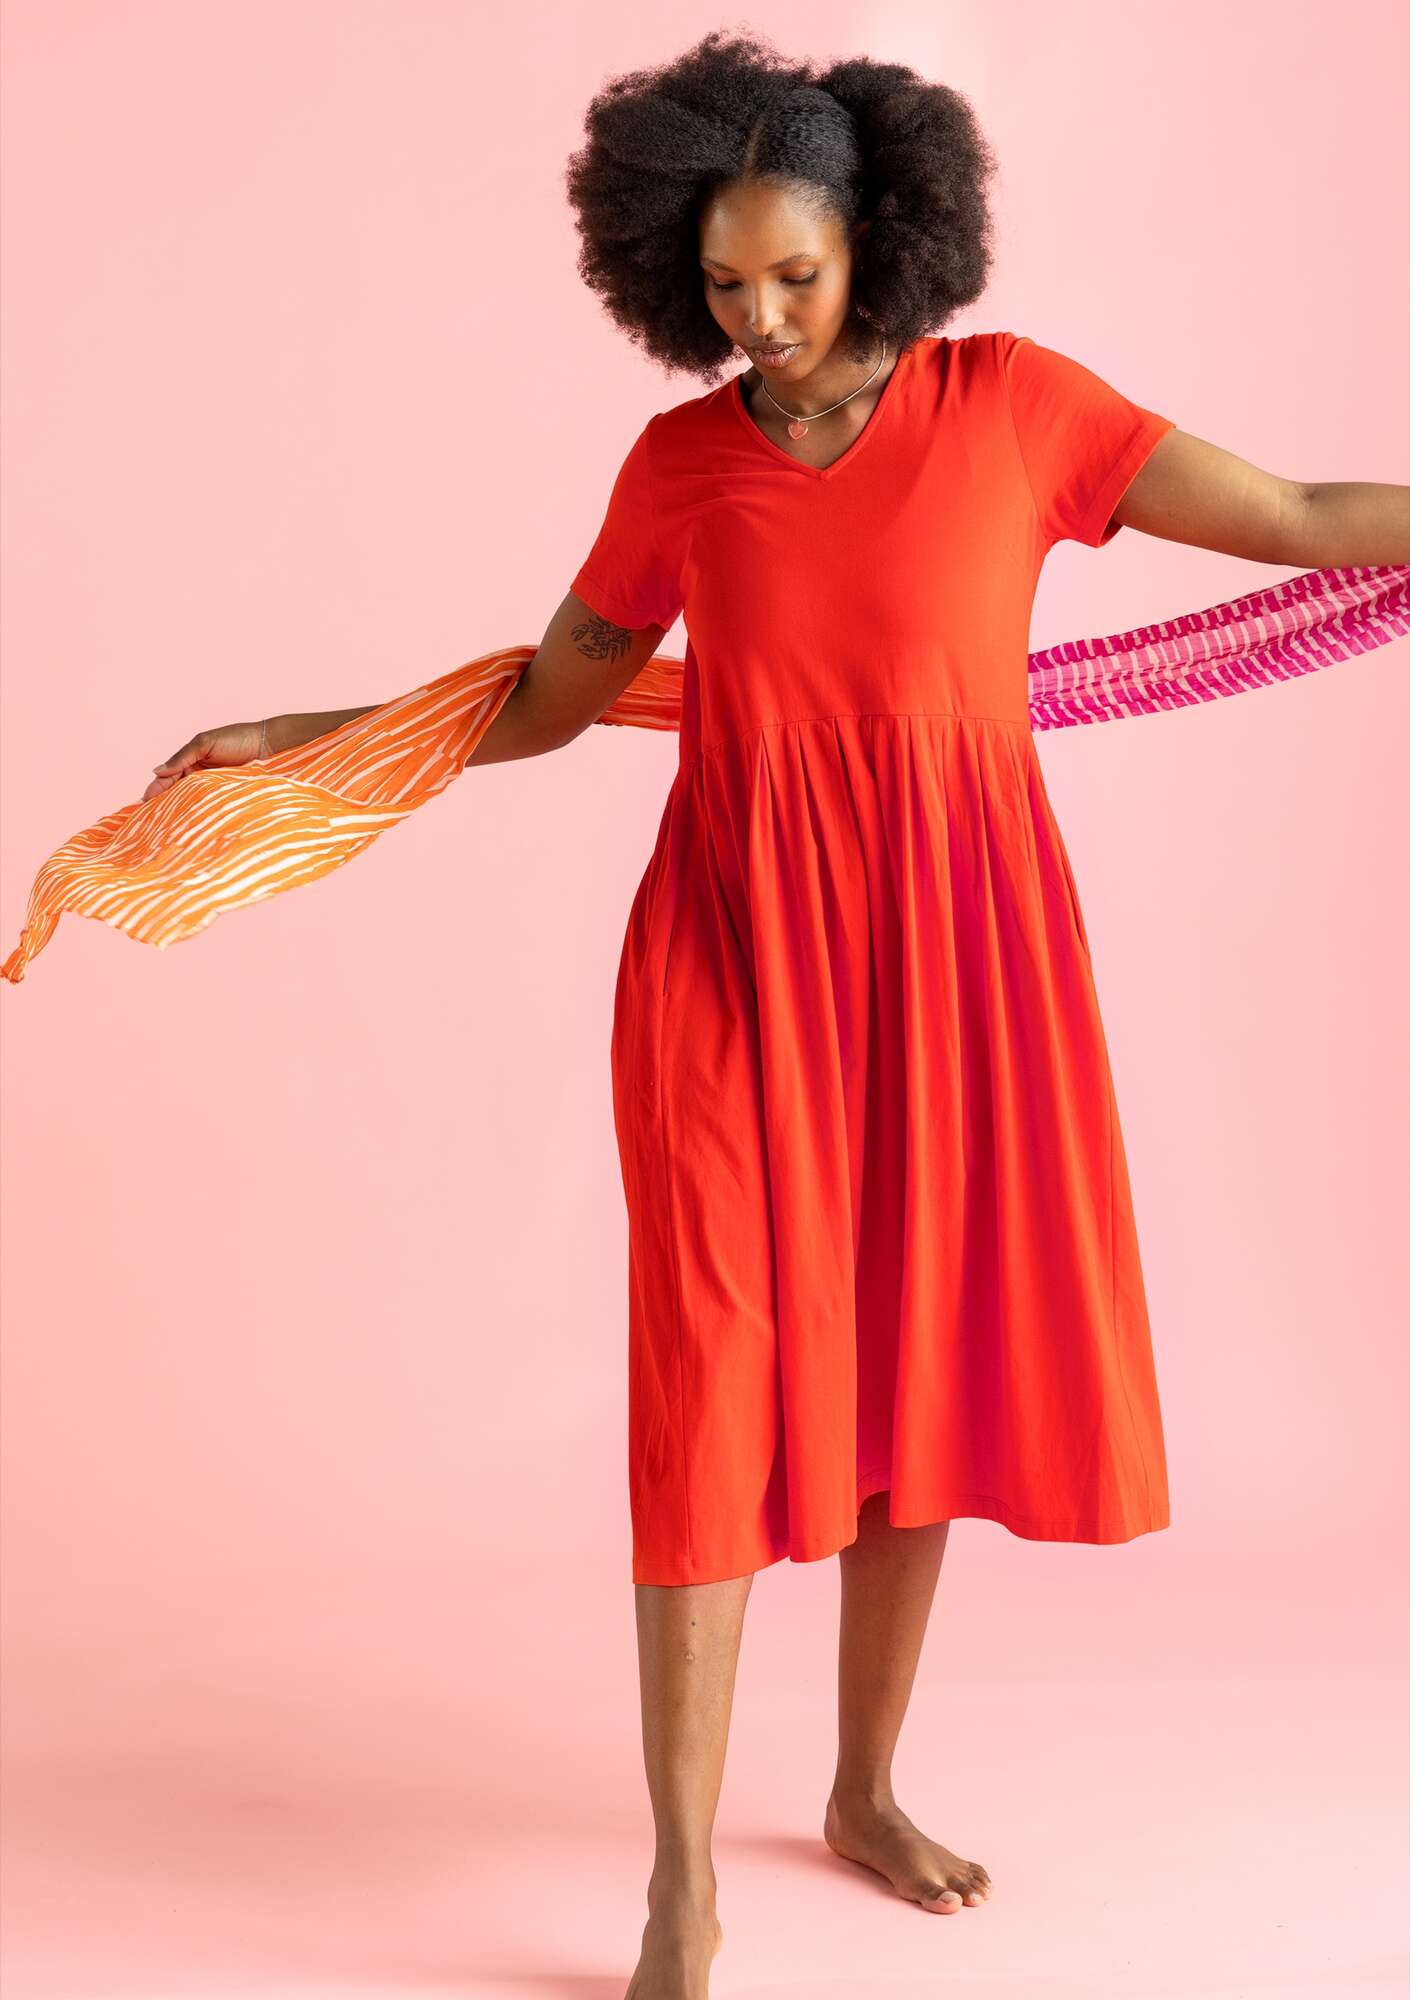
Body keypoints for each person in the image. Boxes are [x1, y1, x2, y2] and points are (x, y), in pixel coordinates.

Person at [84, 30, 1409, 1999]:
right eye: (722, 286)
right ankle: (681, 1889)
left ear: (883, 236)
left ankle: (864, 1787)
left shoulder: (1018, 406)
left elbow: (1295, 510)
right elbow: (548, 697)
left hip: (959, 963)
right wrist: (311, 733)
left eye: (794, 274)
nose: (761, 321)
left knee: (915, 1376)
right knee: (707, 1394)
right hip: (729, 959)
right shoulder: (679, 469)